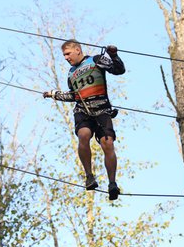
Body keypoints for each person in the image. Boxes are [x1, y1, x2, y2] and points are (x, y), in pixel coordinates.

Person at [43, 39, 125, 200]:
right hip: (83, 110)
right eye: (64, 55)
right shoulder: (71, 73)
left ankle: (112, 183)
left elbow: (118, 70)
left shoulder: (95, 60)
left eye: (68, 53)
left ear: (78, 50)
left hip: (102, 109)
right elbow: (73, 95)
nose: (66, 58)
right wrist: (53, 94)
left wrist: (114, 55)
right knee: (84, 135)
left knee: (107, 143)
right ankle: (89, 176)